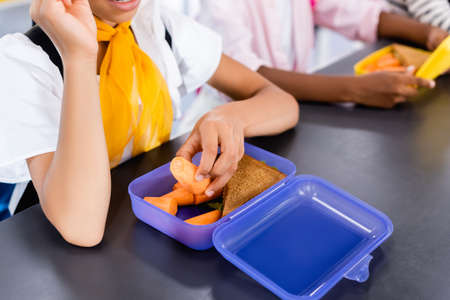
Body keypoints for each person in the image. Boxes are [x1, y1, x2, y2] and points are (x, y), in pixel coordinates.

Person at [0, 0, 299, 245]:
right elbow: (82, 229)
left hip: (150, 228)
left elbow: (282, 102)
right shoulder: (24, 62)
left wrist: (230, 116)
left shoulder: (157, 26)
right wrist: (79, 56)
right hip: (57, 257)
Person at [198, 0, 449, 109]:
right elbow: (241, 75)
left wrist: (429, 34)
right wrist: (355, 90)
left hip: (292, 107)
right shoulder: (220, 5)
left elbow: (356, 13)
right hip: (231, 118)